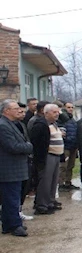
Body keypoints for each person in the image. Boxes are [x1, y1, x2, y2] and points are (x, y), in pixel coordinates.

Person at [0, 100, 33, 236]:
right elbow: (12, 146)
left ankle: (9, 224)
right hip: (9, 168)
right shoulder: (3, 126)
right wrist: (29, 147)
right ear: (6, 111)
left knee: (12, 197)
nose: (18, 110)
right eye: (15, 108)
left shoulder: (14, 124)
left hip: (16, 166)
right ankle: (14, 225)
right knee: (11, 197)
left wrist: (26, 145)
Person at [28, 103, 64, 214]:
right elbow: (36, 142)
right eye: (54, 112)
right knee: (45, 181)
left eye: (58, 112)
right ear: (46, 113)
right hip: (47, 156)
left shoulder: (54, 124)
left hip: (56, 155)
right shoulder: (40, 124)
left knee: (53, 181)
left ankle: (50, 201)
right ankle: (42, 205)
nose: (57, 114)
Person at [58, 102, 79, 191]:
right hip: (65, 145)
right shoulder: (61, 119)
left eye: (72, 107)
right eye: (68, 107)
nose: (70, 109)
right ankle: (61, 183)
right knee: (63, 166)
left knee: (71, 165)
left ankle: (68, 182)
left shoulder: (73, 119)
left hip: (73, 145)